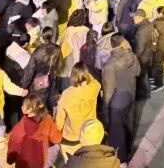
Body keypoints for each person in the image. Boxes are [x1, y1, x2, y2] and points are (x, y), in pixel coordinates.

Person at [102, 33, 141, 166]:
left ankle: (121, 160)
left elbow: (108, 90)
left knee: (116, 132)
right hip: (130, 94)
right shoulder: (131, 56)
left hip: (117, 103)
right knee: (128, 124)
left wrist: (105, 108)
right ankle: (128, 149)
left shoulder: (109, 65)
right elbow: (138, 72)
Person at [56, 62, 101, 160]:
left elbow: (60, 119)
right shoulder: (94, 88)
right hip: (89, 133)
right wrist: (85, 74)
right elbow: (95, 82)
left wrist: (57, 132)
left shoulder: (67, 94)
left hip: (72, 136)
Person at [7, 94, 62, 168]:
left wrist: (10, 160)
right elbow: (56, 138)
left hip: (24, 163)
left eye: (23, 106)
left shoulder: (20, 128)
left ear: (29, 110)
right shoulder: (47, 118)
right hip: (41, 159)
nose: (21, 107)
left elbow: (13, 148)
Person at [132, 9, 153, 100]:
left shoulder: (141, 31)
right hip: (148, 54)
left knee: (141, 76)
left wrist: (134, 58)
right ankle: (146, 92)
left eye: (135, 17)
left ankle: (143, 94)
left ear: (140, 18)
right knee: (144, 75)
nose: (133, 19)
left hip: (143, 57)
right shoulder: (148, 25)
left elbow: (140, 48)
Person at [151, 5, 164, 92]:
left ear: (160, 13)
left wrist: (153, 46)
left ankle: (159, 84)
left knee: (157, 65)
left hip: (159, 47)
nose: (155, 14)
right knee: (160, 64)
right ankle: (158, 80)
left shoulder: (157, 23)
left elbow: (154, 36)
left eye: (156, 13)